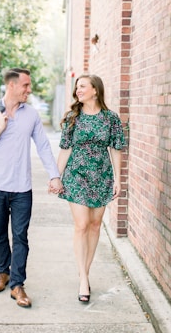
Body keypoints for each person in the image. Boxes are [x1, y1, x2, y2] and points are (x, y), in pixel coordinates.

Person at [0, 68, 63, 308]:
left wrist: (54, 175)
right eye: (26, 85)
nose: (29, 90)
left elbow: (43, 146)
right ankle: (2, 273)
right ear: (12, 86)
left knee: (20, 237)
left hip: (22, 187)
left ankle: (17, 284)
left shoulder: (30, 114)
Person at [50, 74, 126, 303]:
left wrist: (117, 178)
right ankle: (83, 278)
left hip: (101, 176)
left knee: (94, 226)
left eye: (82, 86)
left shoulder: (111, 119)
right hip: (76, 175)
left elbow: (116, 149)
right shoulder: (74, 117)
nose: (78, 90)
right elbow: (65, 149)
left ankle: (86, 271)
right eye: (77, 87)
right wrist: (56, 176)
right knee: (81, 225)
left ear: (95, 90)